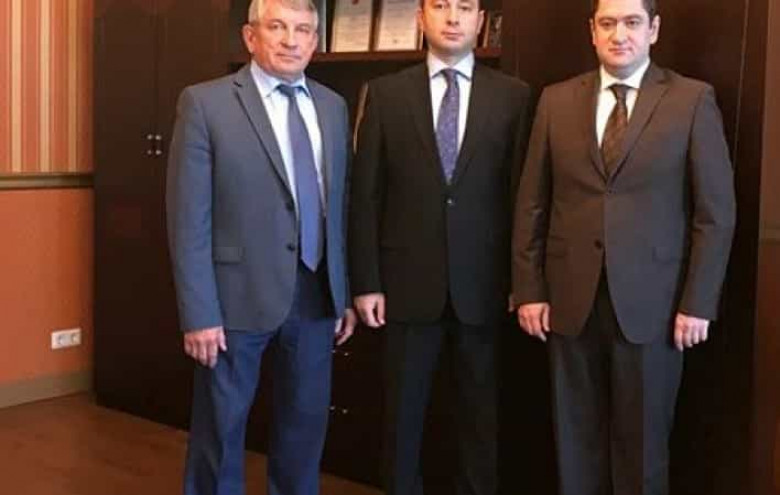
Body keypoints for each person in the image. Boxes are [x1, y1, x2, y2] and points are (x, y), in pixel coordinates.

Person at [512, 0, 736, 494]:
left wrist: (698, 302)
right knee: (576, 445)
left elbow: (715, 214)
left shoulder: (691, 100)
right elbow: (532, 202)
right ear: (591, 31)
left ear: (653, 30)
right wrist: (529, 289)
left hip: (656, 308)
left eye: (632, 22)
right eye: (608, 23)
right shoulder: (555, 101)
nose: (620, 35)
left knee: (643, 450)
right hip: (569, 303)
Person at [166, 0, 356, 493]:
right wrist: (198, 313)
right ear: (251, 37)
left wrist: (342, 292)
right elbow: (188, 218)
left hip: (315, 294)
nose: (291, 40)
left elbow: (337, 206)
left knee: (304, 429)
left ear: (315, 41)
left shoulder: (333, 106)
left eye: (303, 30)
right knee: (221, 430)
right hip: (234, 299)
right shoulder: (205, 103)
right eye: (277, 27)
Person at [348, 0, 531, 493]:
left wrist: (521, 282)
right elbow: (365, 196)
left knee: (480, 421)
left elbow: (522, 197)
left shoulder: (514, 97)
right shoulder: (385, 94)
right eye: (441, 6)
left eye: (465, 7)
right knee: (401, 422)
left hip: (485, 289)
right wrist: (366, 282)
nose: (452, 17)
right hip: (405, 289)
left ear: (480, 21)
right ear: (420, 18)